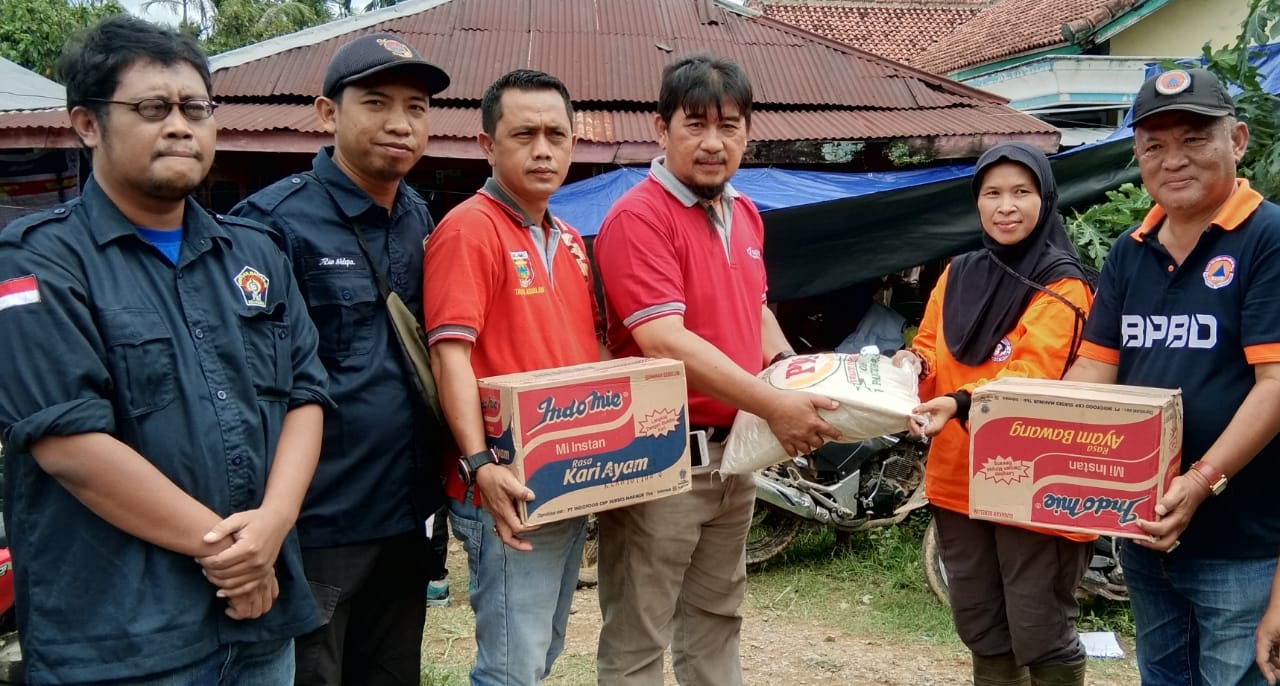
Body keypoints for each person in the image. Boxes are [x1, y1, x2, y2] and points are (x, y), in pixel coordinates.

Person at [0, 15, 330, 685]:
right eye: (153, 108)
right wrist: (236, 556)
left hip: (261, 622)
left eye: (196, 108)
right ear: (87, 124)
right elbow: (69, 445)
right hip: (124, 638)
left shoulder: (255, 252)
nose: (181, 126)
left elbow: (305, 394)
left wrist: (273, 526)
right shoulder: (36, 262)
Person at [591, 54, 839, 686]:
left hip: (736, 457)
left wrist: (792, 373)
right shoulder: (638, 218)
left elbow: (754, 310)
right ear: (661, 128)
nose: (713, 142)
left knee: (717, 619)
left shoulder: (744, 212)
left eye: (729, 126)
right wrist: (773, 403)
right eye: (695, 124)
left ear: (747, 132)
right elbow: (663, 340)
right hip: (661, 458)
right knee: (639, 635)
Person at [230, 33, 450, 685]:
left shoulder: (418, 217)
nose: (399, 123)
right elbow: (240, 386)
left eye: (416, 108)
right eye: (376, 102)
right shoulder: (271, 224)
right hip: (317, 527)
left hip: (404, 516)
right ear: (328, 113)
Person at [1064, 68, 1280, 686]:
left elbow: (1275, 384)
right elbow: (1096, 368)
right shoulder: (1131, 251)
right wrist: (1021, 425)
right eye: (1154, 145)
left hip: (1242, 545)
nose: (1173, 159)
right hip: (1142, 529)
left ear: (1237, 140)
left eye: (1193, 139)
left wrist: (1202, 480)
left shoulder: (1267, 238)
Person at [423, 69, 603, 686]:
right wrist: (479, 464)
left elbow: (587, 350)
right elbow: (450, 355)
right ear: (487, 145)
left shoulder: (569, 238)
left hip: (563, 478)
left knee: (541, 651)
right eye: (524, 135)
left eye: (556, 135)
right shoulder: (469, 229)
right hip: (504, 485)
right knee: (511, 668)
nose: (543, 150)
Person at [892, 142, 1094, 686]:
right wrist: (911, 364)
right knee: (980, 623)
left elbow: (1033, 374)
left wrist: (959, 401)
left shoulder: (1064, 284)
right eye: (992, 194)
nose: (1006, 206)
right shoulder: (957, 273)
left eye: (1022, 192)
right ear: (977, 202)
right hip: (958, 476)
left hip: (1032, 482)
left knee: (1041, 628)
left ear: (1045, 199)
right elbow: (931, 347)